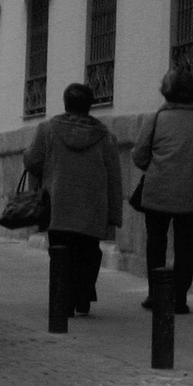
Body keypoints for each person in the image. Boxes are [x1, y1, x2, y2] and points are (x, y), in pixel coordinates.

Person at [24, 83, 121, 316]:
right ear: (90, 106)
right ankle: (83, 295)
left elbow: (32, 161)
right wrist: (114, 214)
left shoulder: (47, 130)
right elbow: (113, 176)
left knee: (59, 252)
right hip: (92, 208)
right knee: (88, 252)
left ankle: (63, 299)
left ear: (65, 103)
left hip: (58, 205)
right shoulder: (105, 136)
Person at [133, 67, 193, 314]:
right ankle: (179, 298)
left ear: (165, 92)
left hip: (158, 193)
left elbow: (139, 156)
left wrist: (159, 165)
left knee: (156, 243)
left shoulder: (156, 119)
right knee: (186, 247)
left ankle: (156, 294)